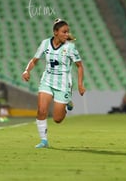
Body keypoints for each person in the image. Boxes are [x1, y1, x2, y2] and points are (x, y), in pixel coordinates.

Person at [22, 18, 86, 148]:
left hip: (63, 84)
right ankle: (44, 141)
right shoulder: (45, 44)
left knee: (57, 119)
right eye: (64, 32)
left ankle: (67, 102)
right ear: (55, 32)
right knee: (41, 110)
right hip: (47, 80)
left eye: (68, 32)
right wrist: (26, 71)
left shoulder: (70, 48)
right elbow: (34, 60)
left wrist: (80, 85)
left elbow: (79, 66)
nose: (67, 34)